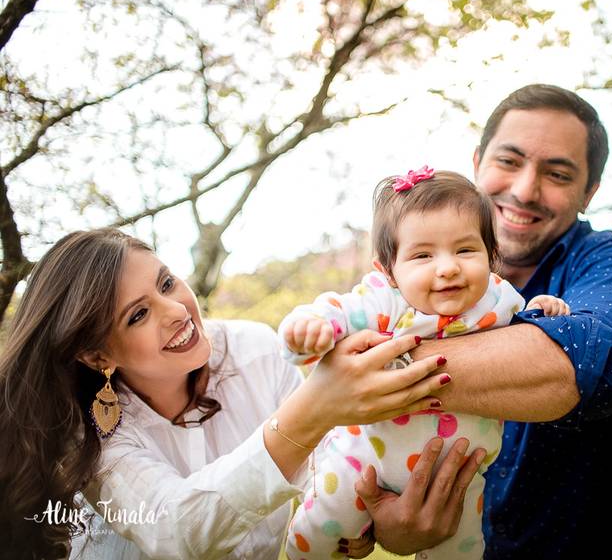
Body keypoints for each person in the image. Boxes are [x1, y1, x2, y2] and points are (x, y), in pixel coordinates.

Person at [0, 228, 484, 560]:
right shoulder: (89, 434)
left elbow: (328, 462)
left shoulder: (254, 350)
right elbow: (177, 530)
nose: (175, 310)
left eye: (167, 283)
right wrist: (310, 411)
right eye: (137, 315)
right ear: (97, 356)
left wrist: (358, 516)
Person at [356, 84, 612, 558]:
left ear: (589, 192)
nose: (524, 189)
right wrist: (391, 524)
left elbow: (590, 363)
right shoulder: (413, 291)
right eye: (509, 162)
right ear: (477, 164)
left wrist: (372, 375)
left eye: (557, 173)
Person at [278, 169, 569, 560]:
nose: (448, 267)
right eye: (422, 255)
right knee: (321, 532)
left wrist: (540, 310)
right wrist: (308, 329)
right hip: (362, 463)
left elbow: (525, 333)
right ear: (388, 271)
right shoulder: (385, 300)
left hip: (459, 477)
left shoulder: (497, 298)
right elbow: (336, 311)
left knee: (464, 551)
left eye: (466, 250)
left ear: (491, 255)